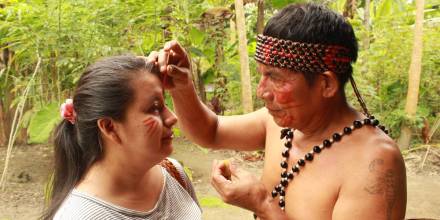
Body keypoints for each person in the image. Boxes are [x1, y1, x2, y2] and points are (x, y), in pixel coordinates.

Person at [149, 3, 406, 220]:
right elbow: (210, 132)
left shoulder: (374, 164)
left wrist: (263, 204)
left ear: (326, 84)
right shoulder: (281, 123)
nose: (262, 91)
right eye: (262, 75)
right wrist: (182, 86)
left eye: (276, 78)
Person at [42, 55, 202, 220]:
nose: (172, 117)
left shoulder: (174, 173)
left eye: (164, 104)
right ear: (110, 127)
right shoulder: (80, 216)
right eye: (154, 108)